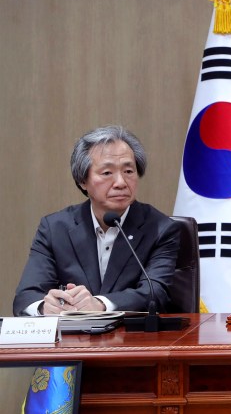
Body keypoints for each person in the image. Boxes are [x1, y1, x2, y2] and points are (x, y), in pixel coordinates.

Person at [13, 125, 180, 316]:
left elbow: (155, 293)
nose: (121, 183)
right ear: (83, 181)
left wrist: (100, 304)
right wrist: (45, 307)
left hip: (131, 341)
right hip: (72, 341)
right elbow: (25, 296)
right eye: (107, 173)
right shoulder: (54, 228)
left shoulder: (160, 228)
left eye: (128, 171)